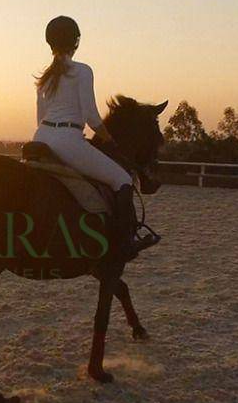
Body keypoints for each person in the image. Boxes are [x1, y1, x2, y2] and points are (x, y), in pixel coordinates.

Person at [32, 15, 153, 260]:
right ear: (76, 41)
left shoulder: (44, 77)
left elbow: (40, 116)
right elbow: (91, 117)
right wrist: (109, 139)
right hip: (68, 139)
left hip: (41, 137)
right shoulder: (83, 71)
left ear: (50, 43)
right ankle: (124, 242)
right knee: (122, 179)